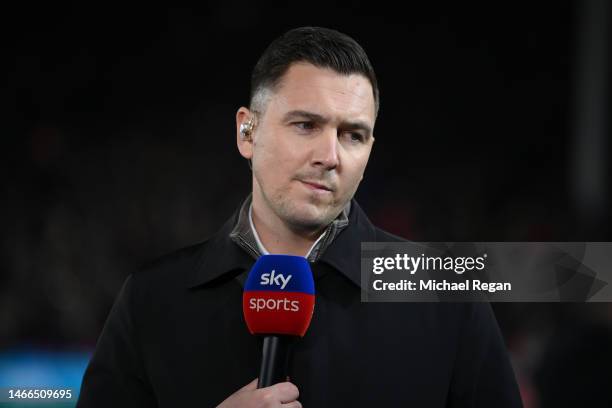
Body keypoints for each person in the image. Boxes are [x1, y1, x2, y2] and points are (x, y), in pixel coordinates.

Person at [77, 27, 522, 407]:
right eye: (306, 125)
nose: (329, 156)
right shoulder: (152, 300)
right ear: (246, 132)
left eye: (352, 135)